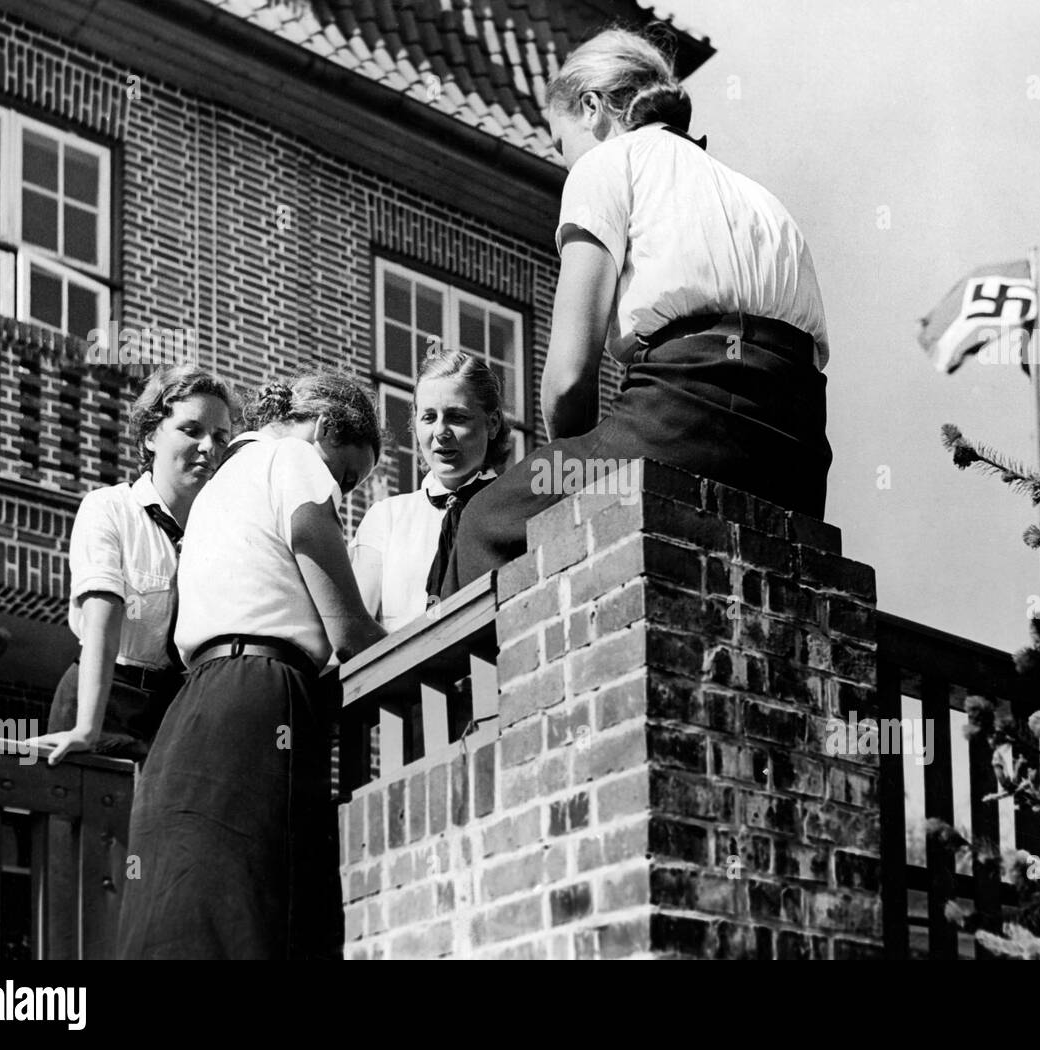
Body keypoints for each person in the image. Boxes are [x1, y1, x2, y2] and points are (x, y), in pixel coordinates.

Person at [442, 28, 832, 593]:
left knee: (488, 519)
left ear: (593, 108)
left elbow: (567, 380)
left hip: (683, 416)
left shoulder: (607, 165)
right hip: (796, 458)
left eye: (560, 143)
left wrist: (564, 468)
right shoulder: (762, 200)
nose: (564, 161)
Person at [115, 369, 385, 960]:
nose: (342, 492)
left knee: (183, 910)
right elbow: (348, 629)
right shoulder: (293, 457)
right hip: (262, 699)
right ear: (321, 428)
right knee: (265, 911)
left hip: (190, 714)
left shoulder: (213, 486)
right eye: (346, 476)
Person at [32, 365, 233, 766]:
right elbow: (101, 624)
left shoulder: (222, 534)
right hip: (104, 703)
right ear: (150, 436)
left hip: (174, 714)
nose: (209, 446)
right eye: (191, 430)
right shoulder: (109, 508)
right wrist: (87, 728)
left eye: (220, 436)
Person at [351, 348, 512, 631]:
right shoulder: (386, 518)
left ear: (493, 423)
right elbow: (356, 625)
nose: (440, 432)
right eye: (429, 417)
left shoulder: (514, 507)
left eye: (456, 417)